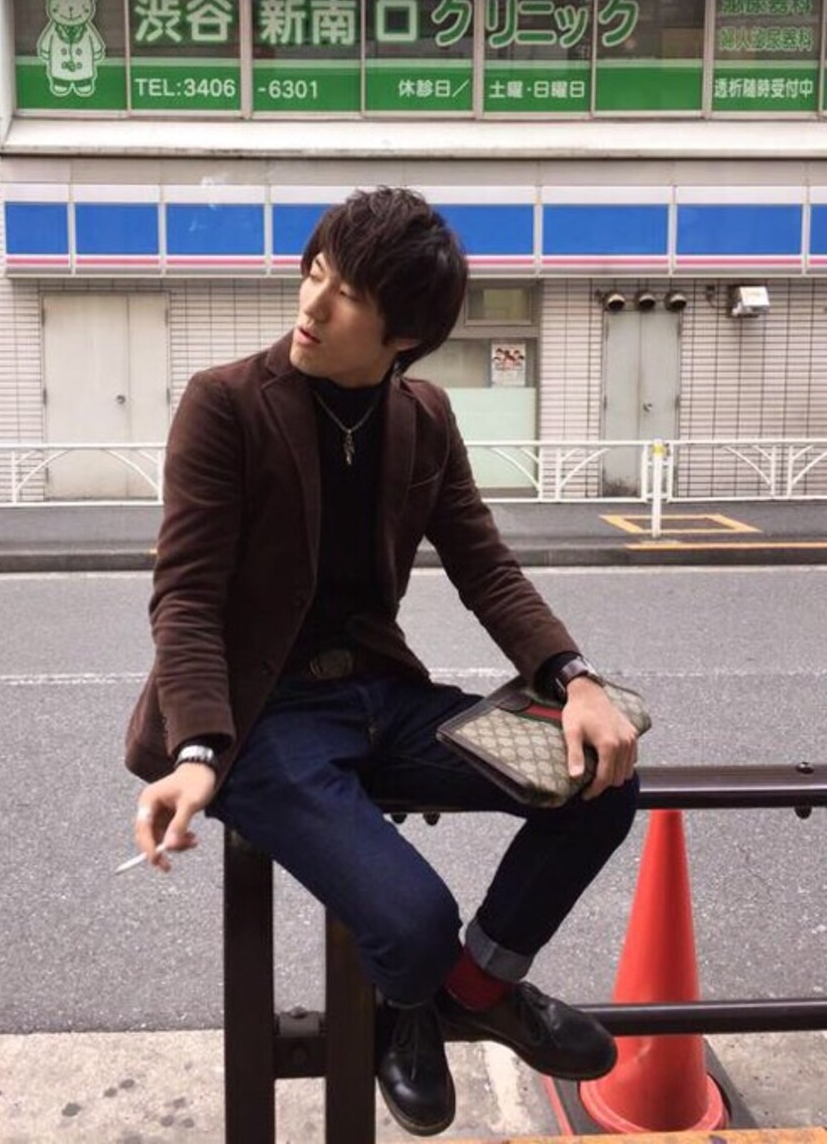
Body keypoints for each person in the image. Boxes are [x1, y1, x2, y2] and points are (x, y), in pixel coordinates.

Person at [125, 186, 639, 1137]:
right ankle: (420, 1000)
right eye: (316, 271)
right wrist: (197, 752)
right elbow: (186, 597)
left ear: (402, 335)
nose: (312, 303)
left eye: (347, 293)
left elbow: (486, 566)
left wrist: (575, 680)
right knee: (411, 920)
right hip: (262, 722)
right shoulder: (226, 404)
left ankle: (467, 993)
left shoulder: (424, 416)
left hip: (379, 695)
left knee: (605, 780)